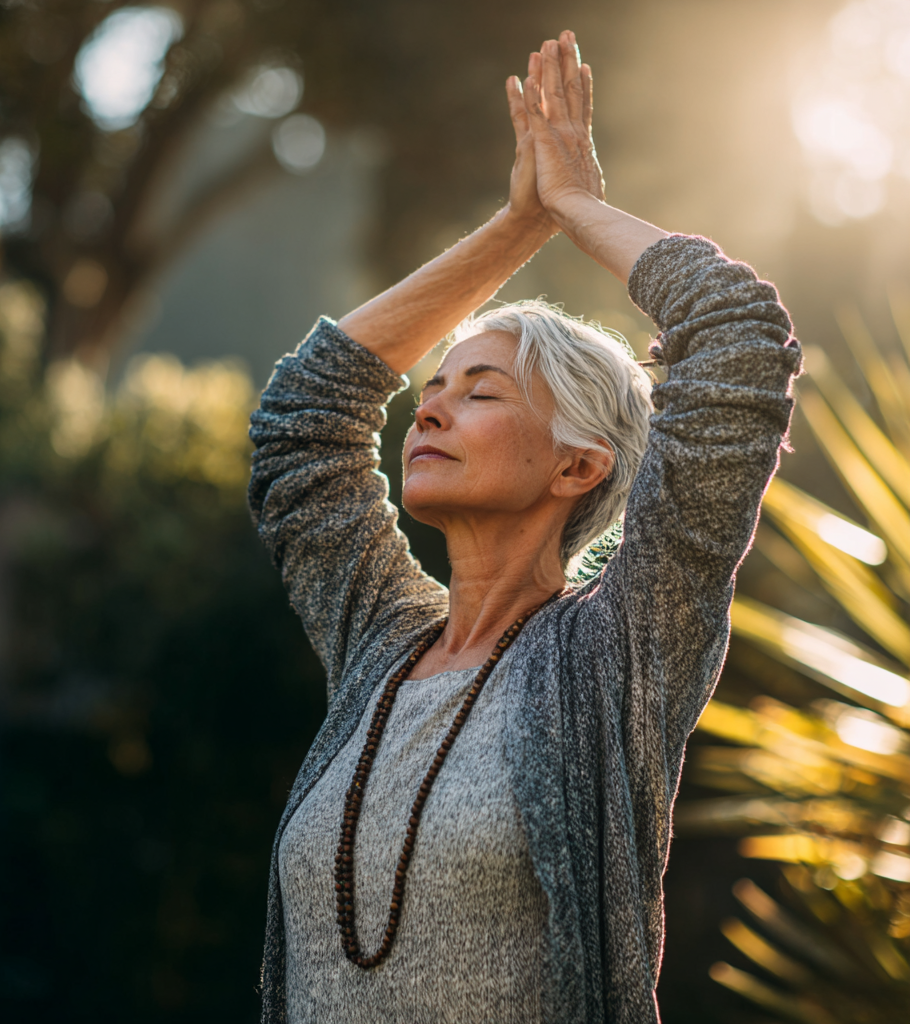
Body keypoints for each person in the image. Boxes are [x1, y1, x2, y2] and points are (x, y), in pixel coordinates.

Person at [248, 30, 800, 1024]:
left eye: (481, 392)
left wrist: (577, 209)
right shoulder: (376, 640)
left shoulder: (615, 649)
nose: (429, 409)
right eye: (434, 390)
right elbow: (306, 421)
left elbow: (738, 342)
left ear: (576, 464)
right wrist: (514, 227)